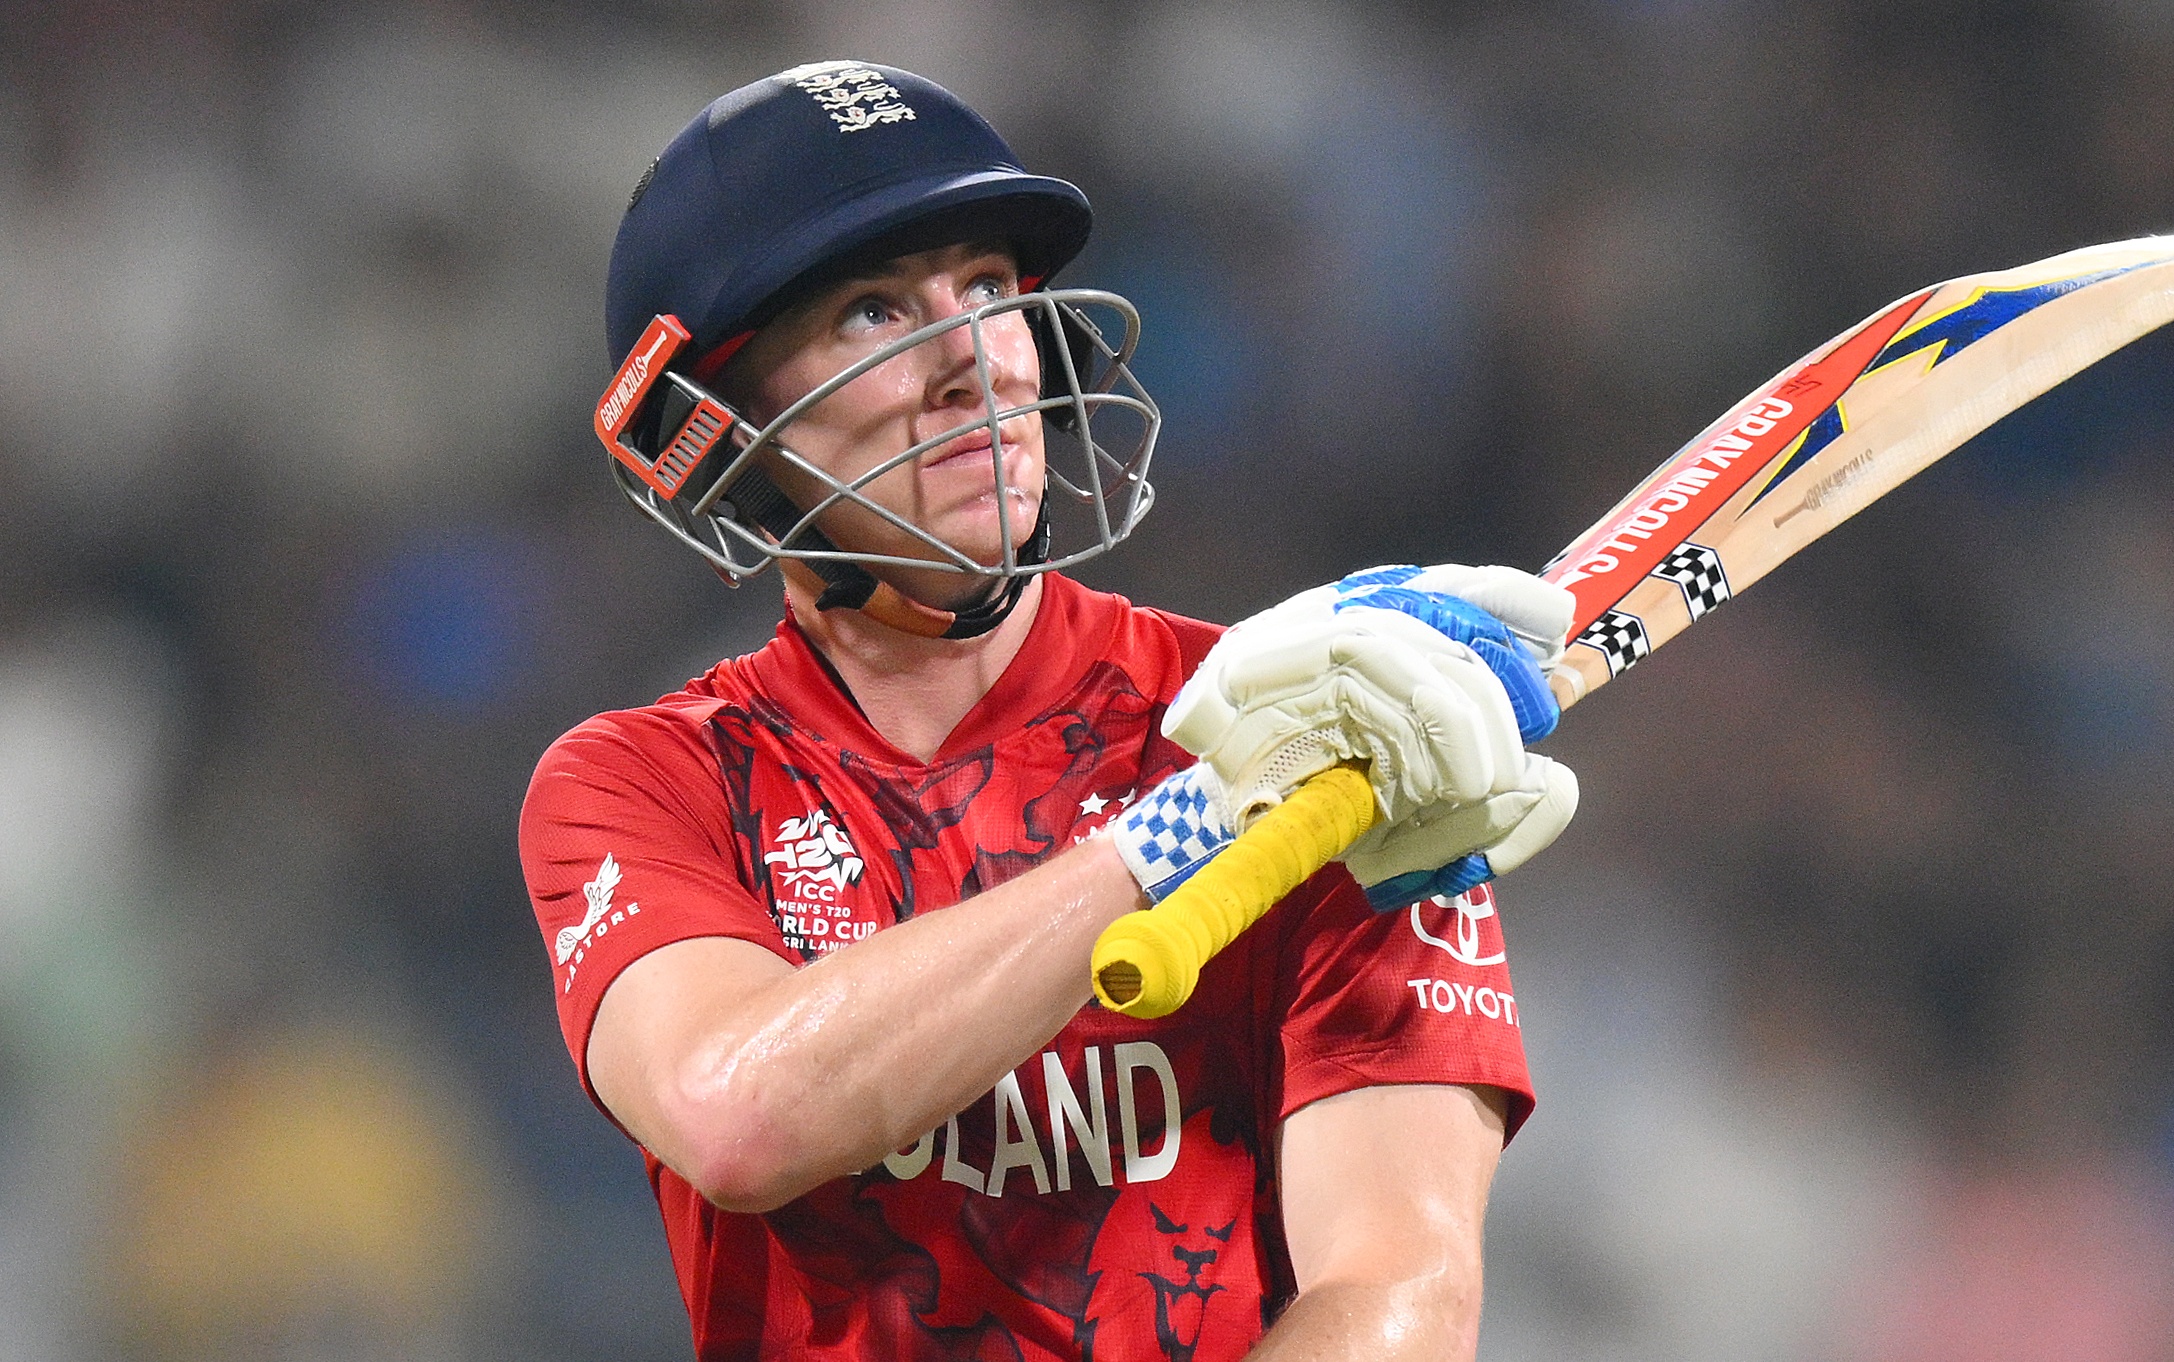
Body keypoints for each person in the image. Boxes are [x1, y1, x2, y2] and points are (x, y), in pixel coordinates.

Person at [520, 60, 1579, 1362]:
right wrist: (1194, 827)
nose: (969, 359)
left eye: (985, 290)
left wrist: (1256, 793)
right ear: (720, 433)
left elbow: (1403, 1292)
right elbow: (738, 1115)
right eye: (869, 312)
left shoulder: (1333, 726)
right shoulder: (641, 780)